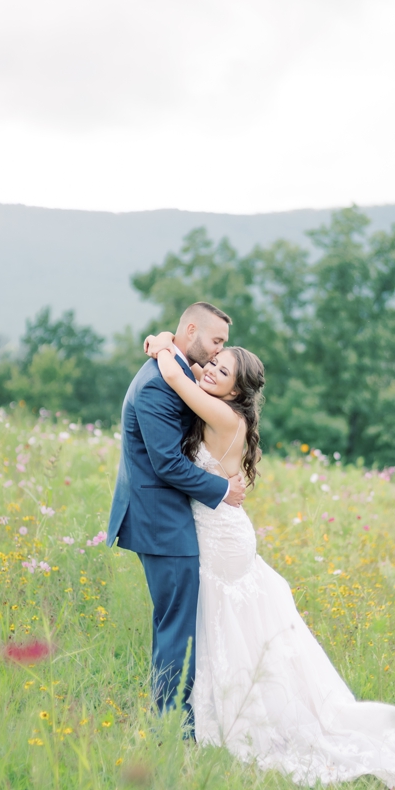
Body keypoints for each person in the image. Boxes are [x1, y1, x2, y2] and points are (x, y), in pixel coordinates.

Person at [141, 328, 395, 790]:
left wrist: (162, 345)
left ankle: (244, 716)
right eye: (213, 364)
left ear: (237, 392)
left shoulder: (221, 413)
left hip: (222, 539)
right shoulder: (219, 399)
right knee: (229, 625)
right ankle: (220, 709)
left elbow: (176, 379)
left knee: (226, 623)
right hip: (218, 528)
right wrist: (188, 357)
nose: (211, 371)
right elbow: (195, 373)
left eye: (223, 372)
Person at [106, 303, 246, 727]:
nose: (220, 349)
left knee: (176, 622)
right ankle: (173, 727)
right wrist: (223, 490)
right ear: (190, 330)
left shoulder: (177, 370)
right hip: (160, 522)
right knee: (176, 627)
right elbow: (166, 462)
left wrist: (162, 342)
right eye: (216, 341)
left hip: (172, 519)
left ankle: (179, 716)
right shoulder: (157, 385)